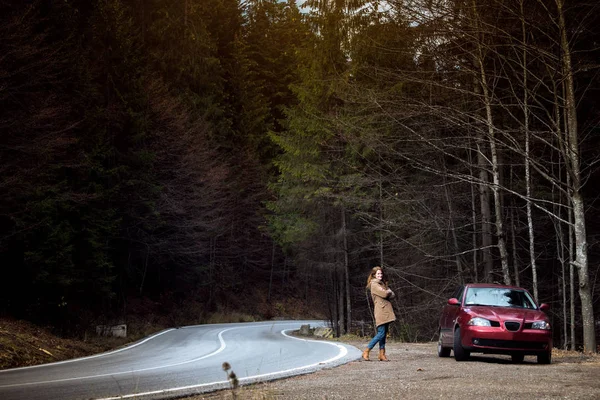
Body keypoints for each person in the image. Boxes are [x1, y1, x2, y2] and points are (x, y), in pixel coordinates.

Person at [363, 266, 396, 361]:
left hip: (385, 311)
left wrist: (388, 291)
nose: (380, 275)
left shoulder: (382, 284)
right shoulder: (374, 284)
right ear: (374, 275)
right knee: (381, 333)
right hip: (380, 311)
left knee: (384, 333)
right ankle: (367, 350)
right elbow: (386, 294)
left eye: (381, 273)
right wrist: (388, 291)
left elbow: (393, 295)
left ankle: (382, 354)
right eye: (378, 274)